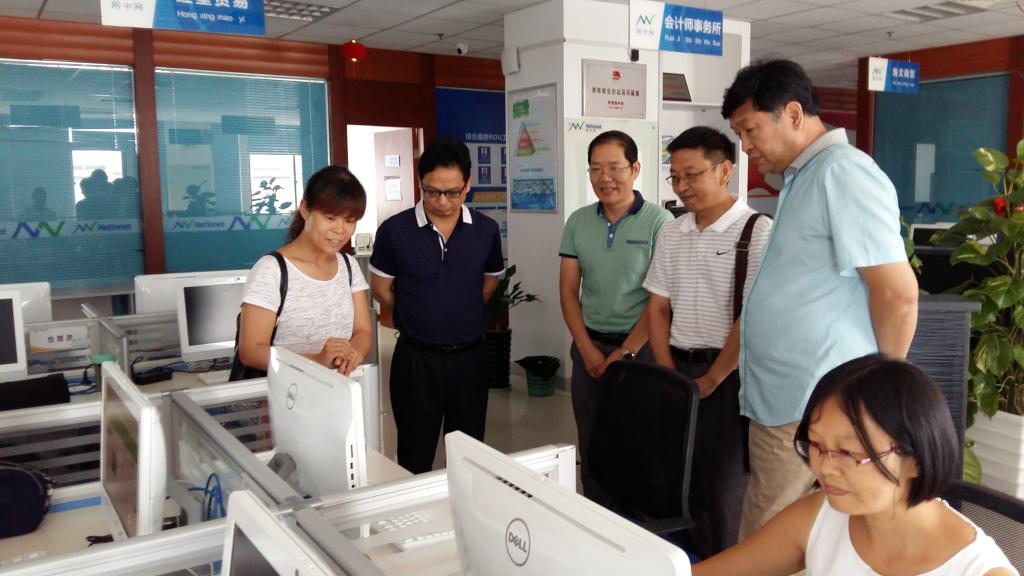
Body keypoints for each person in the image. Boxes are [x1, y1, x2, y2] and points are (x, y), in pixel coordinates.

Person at [722, 59, 920, 538]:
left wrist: (881, 387)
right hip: (793, 398)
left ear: (793, 114)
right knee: (804, 531)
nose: (745, 146)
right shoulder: (804, 176)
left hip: (814, 398)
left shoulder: (842, 173)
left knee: (770, 536)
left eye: (749, 130)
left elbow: (896, 292)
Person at [693, 354, 1018, 576]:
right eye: (817, 445)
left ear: (916, 459)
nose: (825, 468)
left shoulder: (979, 571)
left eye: (848, 452)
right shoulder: (821, 516)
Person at [642, 126, 772, 557]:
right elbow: (658, 306)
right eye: (675, 178)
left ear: (725, 171)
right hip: (676, 369)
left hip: (729, 377)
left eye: (692, 175)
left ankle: (724, 562)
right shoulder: (672, 231)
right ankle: (682, 562)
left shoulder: (756, 231)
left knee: (722, 485)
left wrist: (713, 378)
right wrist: (666, 370)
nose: (682, 187)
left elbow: (751, 317)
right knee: (676, 478)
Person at [369, 136, 504, 474]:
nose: (442, 201)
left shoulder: (486, 231)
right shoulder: (394, 231)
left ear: (468, 185)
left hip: (470, 360)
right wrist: (417, 310)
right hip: (416, 361)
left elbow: (490, 282)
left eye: (453, 192)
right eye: (432, 192)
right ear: (420, 183)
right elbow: (381, 288)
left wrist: (460, 305)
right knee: (414, 456)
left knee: (469, 456)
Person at [559, 130, 673, 504]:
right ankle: (597, 514)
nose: (604, 178)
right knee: (592, 441)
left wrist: (625, 352)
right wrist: (586, 348)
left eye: (614, 168)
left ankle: (639, 522)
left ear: (635, 169)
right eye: (595, 168)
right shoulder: (578, 222)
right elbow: (568, 291)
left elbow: (659, 299)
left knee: (641, 440)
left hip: (642, 349)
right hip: (589, 346)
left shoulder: (659, 222)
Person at [238, 165, 372, 376]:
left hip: (336, 388)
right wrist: (316, 361)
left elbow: (362, 331)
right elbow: (251, 352)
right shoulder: (272, 270)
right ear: (305, 210)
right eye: (330, 217)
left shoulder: (349, 266)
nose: (340, 229)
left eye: (349, 220)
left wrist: (354, 353)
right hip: (286, 391)